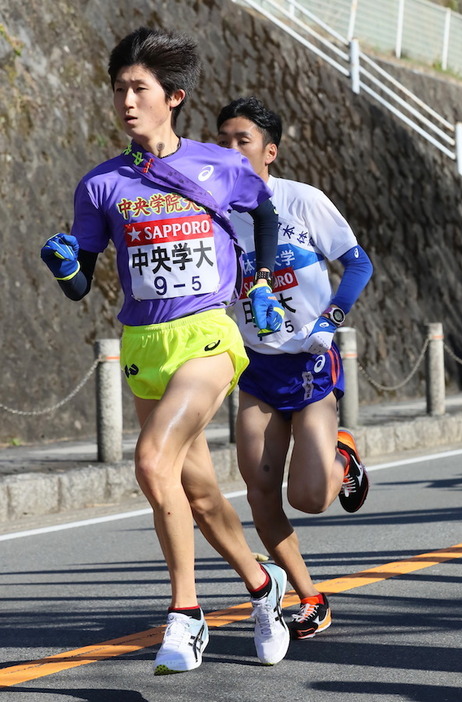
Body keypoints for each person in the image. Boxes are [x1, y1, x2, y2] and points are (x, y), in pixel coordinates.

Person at [40, 29, 290, 675]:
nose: (126, 100)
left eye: (138, 89)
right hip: (144, 344)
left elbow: (262, 214)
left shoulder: (220, 164)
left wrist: (258, 281)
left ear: (172, 97)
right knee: (198, 494)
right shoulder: (102, 185)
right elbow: (78, 285)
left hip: (207, 333)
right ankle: (264, 588)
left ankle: (186, 614)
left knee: (152, 462)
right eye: (118, 88)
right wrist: (63, 266)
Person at [216, 97, 373, 641]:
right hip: (256, 371)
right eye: (224, 139)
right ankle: (311, 598)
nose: (231, 149)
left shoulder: (301, 202)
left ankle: (342, 455)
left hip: (309, 366)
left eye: (244, 140)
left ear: (270, 151)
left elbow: (357, 262)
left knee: (308, 498)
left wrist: (330, 319)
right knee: (259, 491)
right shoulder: (212, 213)